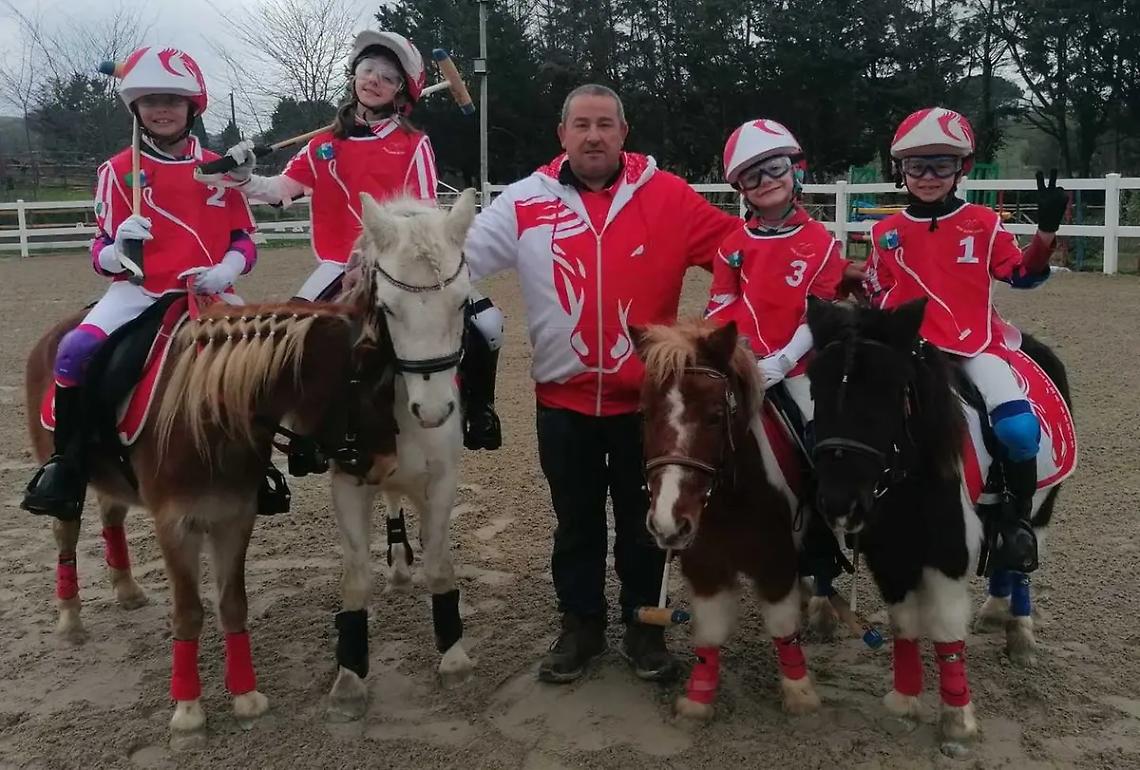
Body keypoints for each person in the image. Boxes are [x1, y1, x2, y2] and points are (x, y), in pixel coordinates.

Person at [461, 84, 740, 683]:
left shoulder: (667, 196)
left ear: (623, 132)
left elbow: (743, 253)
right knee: (576, 522)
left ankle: (645, 630)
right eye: (581, 125)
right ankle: (580, 626)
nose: (593, 136)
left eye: (605, 125)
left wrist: (821, 263)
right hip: (561, 403)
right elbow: (453, 256)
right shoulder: (523, 201)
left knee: (647, 521)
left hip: (645, 404)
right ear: (561, 134)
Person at [196, 29, 502, 450]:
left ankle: (479, 412)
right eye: (367, 70)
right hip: (337, 263)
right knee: (290, 336)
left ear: (401, 92)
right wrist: (244, 177)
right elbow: (281, 188)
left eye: (387, 77)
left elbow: (427, 210)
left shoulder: (414, 144)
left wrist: (380, 254)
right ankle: (305, 431)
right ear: (355, 76)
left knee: (488, 324)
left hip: (401, 263)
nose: (374, 79)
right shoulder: (323, 144)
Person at [22, 46, 257, 520]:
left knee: (264, 361)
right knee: (71, 353)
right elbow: (99, 253)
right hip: (139, 292)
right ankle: (66, 466)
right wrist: (117, 250)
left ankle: (256, 466)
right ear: (136, 109)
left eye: (172, 99)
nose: (162, 109)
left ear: (192, 106)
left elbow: (245, 239)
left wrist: (227, 270)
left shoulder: (221, 168)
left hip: (210, 292)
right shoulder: (115, 171)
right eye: (150, 101)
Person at [864, 106, 1069, 574]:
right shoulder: (883, 233)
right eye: (917, 165)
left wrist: (1045, 234)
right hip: (911, 354)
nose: (929, 175)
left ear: (963, 168)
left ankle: (1015, 522)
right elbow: (876, 293)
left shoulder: (984, 222)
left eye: (942, 163)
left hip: (976, 347)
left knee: (1018, 429)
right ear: (901, 170)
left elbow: (1021, 275)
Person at [705, 118, 849, 437]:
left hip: (796, 363)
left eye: (775, 168)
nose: (766, 181)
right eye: (752, 177)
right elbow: (720, 304)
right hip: (740, 358)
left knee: (824, 434)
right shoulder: (732, 245)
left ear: (795, 170)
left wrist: (782, 362)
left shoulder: (823, 244)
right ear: (741, 188)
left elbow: (818, 314)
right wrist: (730, 350)